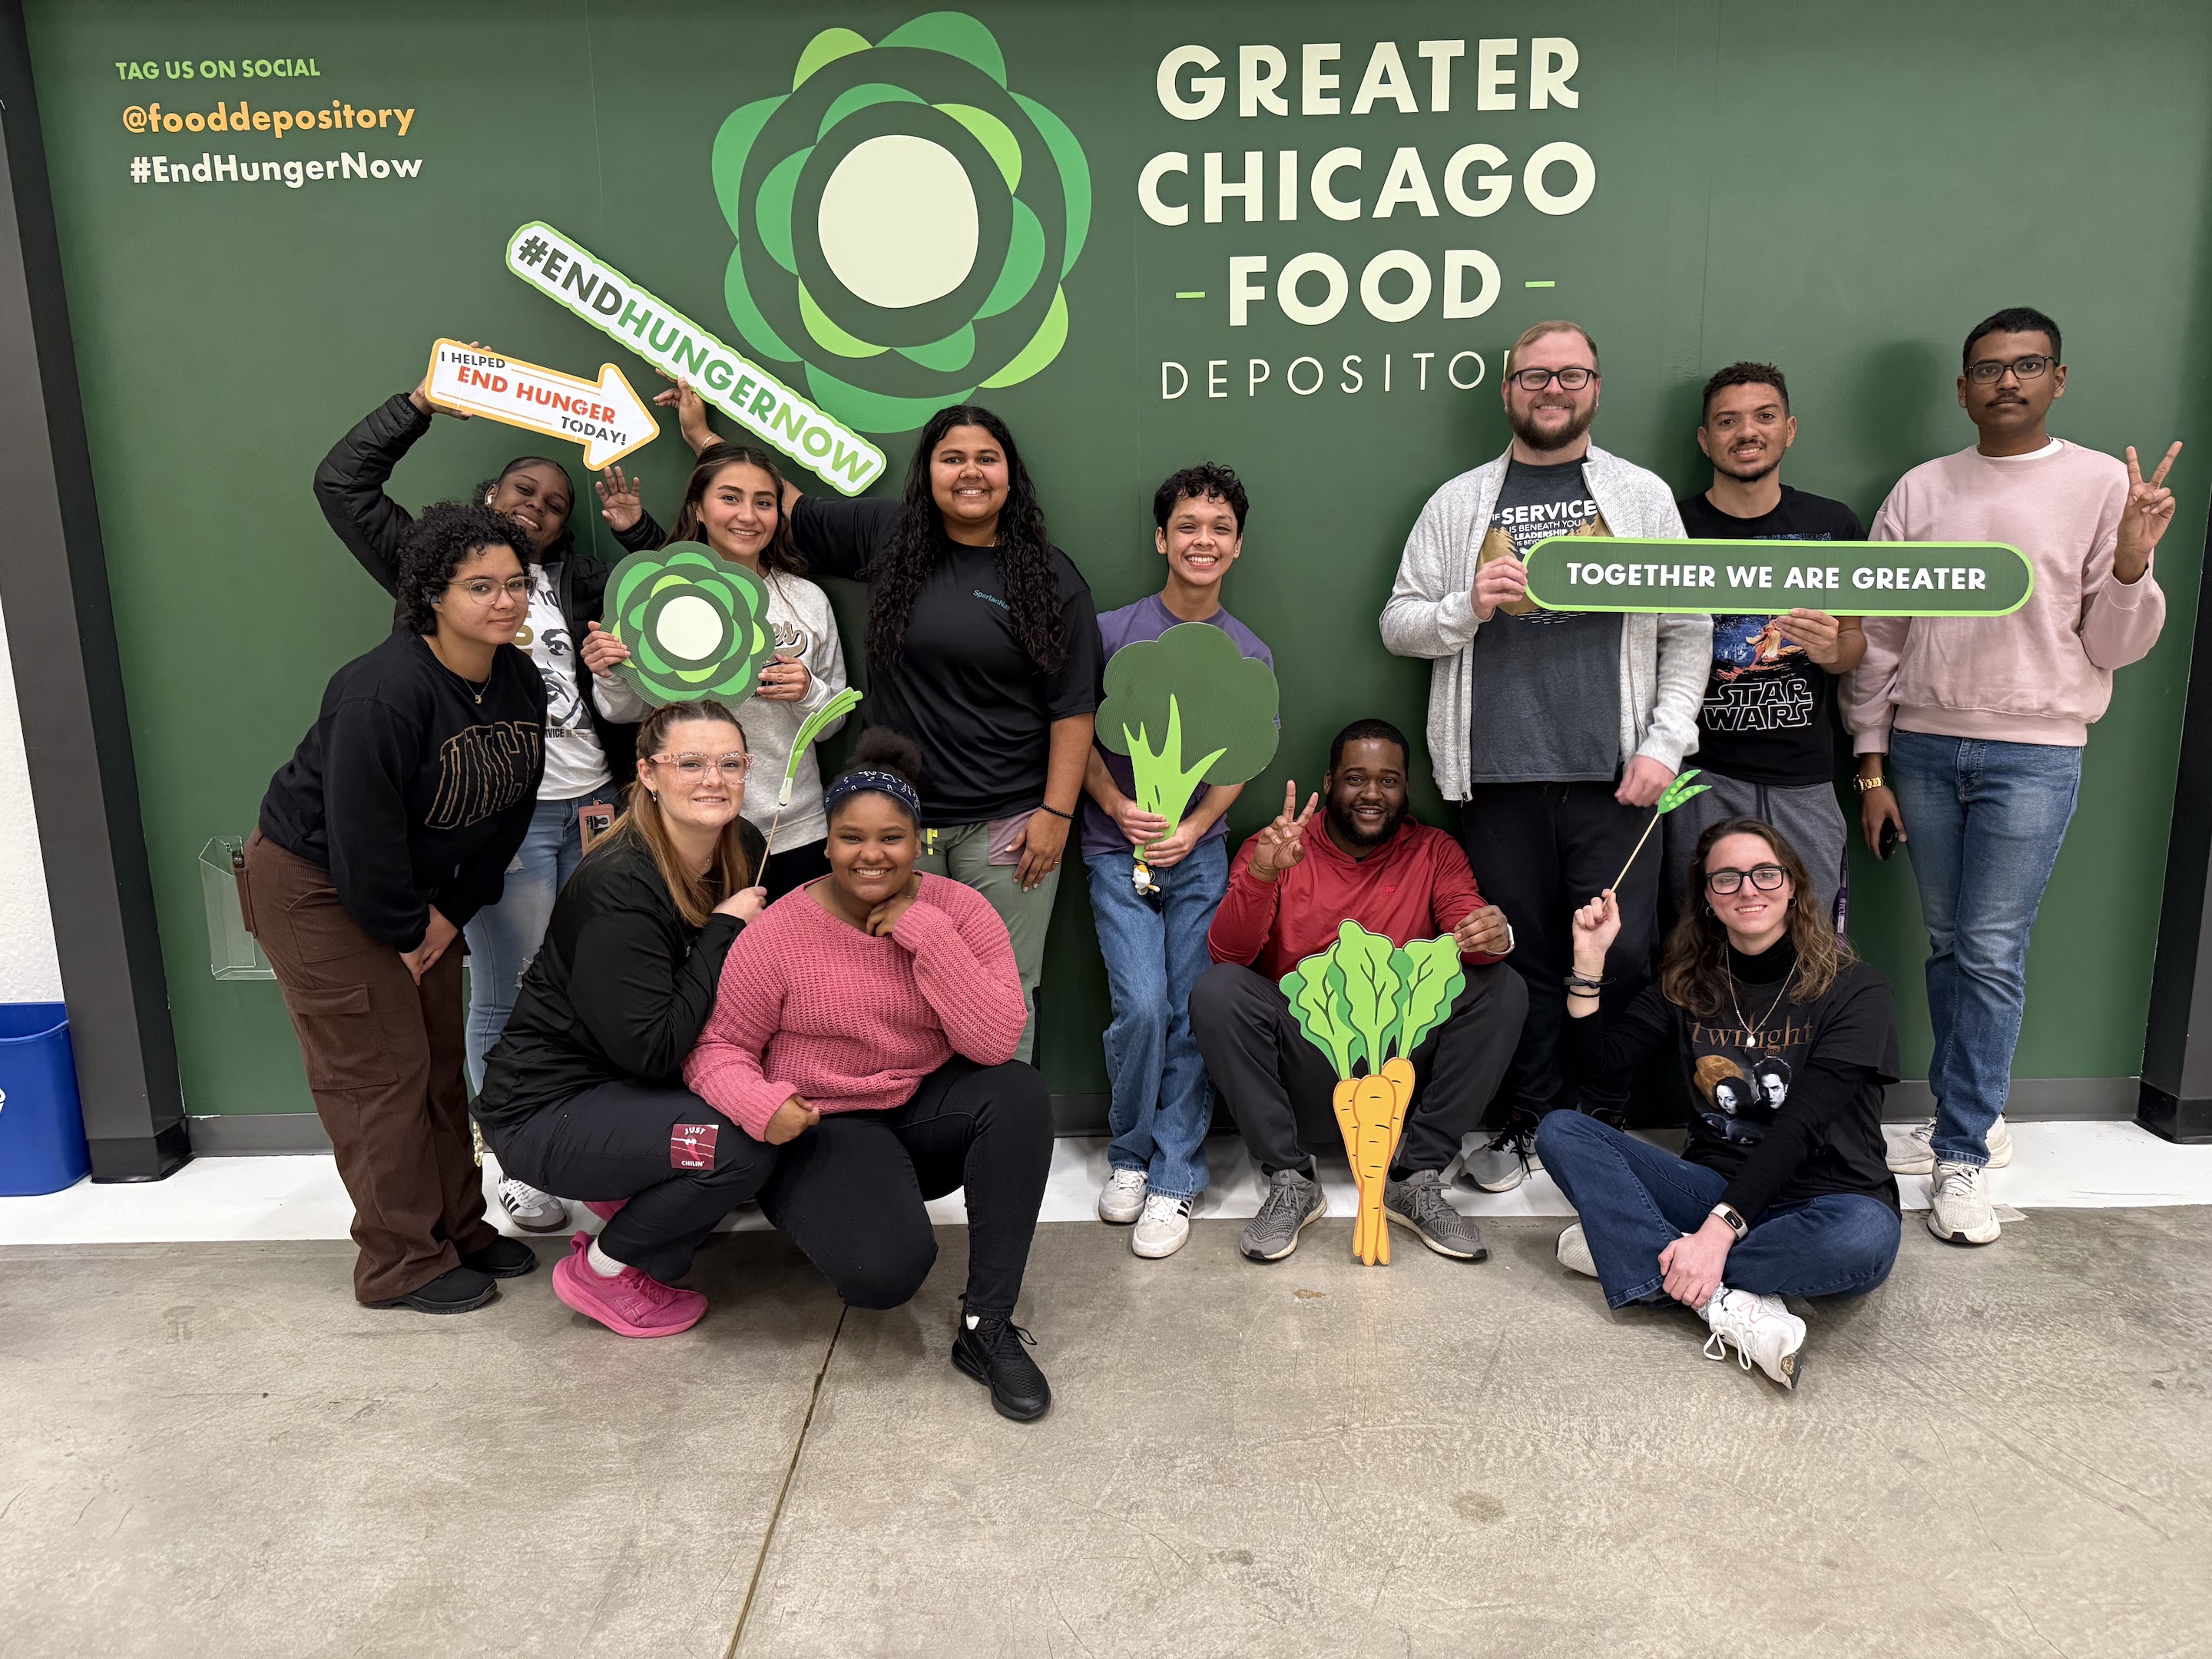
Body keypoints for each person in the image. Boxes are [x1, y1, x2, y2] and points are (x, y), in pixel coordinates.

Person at [1847, 306, 2181, 1246]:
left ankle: (1962, 1154)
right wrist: (1871, 761)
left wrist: (2132, 559)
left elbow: (2116, 646)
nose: (2007, 381)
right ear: (1962, 390)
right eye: (1989, 368)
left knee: (1991, 948)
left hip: (2035, 752)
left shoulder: (2102, 487)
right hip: (1922, 746)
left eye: (2027, 365)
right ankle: (1973, 1117)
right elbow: (1878, 638)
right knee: (1950, 944)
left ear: (2057, 379)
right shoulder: (1921, 490)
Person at [1381, 319, 1710, 1194]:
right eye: (1534, 376)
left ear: (1596, 387)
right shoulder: (1460, 502)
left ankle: (1599, 1127)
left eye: (1571, 375)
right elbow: (1399, 622)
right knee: (1520, 958)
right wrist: (1467, 605)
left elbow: (1688, 628)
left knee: (1623, 956)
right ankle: (1529, 1121)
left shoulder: (1640, 496)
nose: (1552, 389)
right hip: (1495, 779)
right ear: (1508, 390)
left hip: (1618, 779)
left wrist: (1664, 745)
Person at [314, 368, 633, 1235]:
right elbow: (342, 485)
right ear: (491, 495)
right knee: (509, 986)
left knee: (591, 979)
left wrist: (632, 535)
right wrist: (420, 404)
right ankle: (518, 1160)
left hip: (594, 806)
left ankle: (583, 1137)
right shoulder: (436, 562)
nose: (539, 508)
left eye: (556, 504)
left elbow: (665, 594)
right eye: (525, 490)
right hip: (504, 820)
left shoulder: (578, 582)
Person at [685, 733, 1058, 1422]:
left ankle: (988, 1327)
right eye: (851, 837)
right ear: (827, 845)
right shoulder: (779, 932)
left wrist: (928, 935)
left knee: (1018, 1092)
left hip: (922, 1107)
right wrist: (760, 1105)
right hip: (825, 1123)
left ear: (919, 842)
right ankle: (836, 1209)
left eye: (891, 837)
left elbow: (994, 1042)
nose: (871, 854)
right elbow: (717, 1048)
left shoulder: (960, 911)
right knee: (882, 1278)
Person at [243, 503, 546, 1313]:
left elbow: (510, 809)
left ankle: (458, 1230)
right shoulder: (381, 692)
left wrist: (451, 912)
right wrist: (407, 931)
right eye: (480, 586)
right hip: (317, 886)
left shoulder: (516, 678)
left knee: (437, 1063)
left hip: (418, 892)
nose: (505, 600)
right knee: (380, 1075)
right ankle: (399, 1263)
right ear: (431, 595)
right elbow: (360, 835)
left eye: (516, 582)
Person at [781, 406, 1101, 1064]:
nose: (970, 472)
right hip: (900, 824)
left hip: (1009, 830)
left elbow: (1073, 710)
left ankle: (1003, 1124)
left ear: (1011, 474)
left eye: (987, 458)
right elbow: (776, 505)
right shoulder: (886, 535)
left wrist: (1057, 815)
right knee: (900, 992)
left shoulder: (1049, 576)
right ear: (927, 473)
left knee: (1004, 993)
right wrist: (705, 438)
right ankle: (919, 1126)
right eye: (952, 458)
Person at [1537, 817, 1902, 1389]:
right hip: (1711, 1190)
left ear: (1793, 885)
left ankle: (1642, 1257)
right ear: (1707, 898)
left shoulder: (1856, 989)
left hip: (1829, 1198)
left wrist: (1717, 1235)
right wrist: (1588, 962)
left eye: (1765, 874)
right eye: (1726, 878)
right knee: (1562, 1130)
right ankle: (1725, 1301)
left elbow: (1801, 1125)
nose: (1747, 889)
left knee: (1864, 1242)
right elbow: (1595, 1068)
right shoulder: (1686, 983)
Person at [473, 701, 769, 1337]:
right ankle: (603, 1272)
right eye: (690, 763)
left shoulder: (741, 845)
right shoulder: (619, 884)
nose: (713, 779)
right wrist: (722, 929)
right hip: (545, 1112)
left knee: (751, 1125)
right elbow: (654, 1050)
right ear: (649, 773)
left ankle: (632, 1198)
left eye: (730, 763)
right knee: (740, 1147)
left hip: (621, 1091)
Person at [1190, 720, 1525, 1265]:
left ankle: (1415, 1179)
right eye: (1355, 778)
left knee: (1502, 987)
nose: (1372, 793)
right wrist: (1262, 876)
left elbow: (1470, 932)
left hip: (1401, 1072)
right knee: (1218, 990)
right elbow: (1228, 953)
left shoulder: (1433, 850)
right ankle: (1291, 1179)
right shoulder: (1278, 847)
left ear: (1406, 788)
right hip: (1307, 1065)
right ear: (1330, 782)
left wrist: (1492, 934)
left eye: (1388, 780)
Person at [1081, 463, 1274, 1260]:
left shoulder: (1249, 651)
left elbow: (1242, 756)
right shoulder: (1107, 633)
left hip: (1199, 860)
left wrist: (1195, 828)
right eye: (1188, 526)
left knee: (1193, 1010)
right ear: (1162, 539)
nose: (1204, 540)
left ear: (1238, 547)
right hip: (1113, 853)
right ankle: (1129, 1155)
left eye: (1220, 529)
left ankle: (1175, 1175)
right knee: (1141, 1006)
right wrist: (1113, 804)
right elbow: (1075, 738)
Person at [590, 445, 851, 899]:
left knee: (793, 946)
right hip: (691, 831)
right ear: (698, 508)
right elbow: (624, 712)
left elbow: (834, 724)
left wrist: (809, 691)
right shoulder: (658, 595)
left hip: (793, 828)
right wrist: (609, 672)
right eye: (730, 498)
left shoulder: (807, 600)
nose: (748, 516)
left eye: (764, 502)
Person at [1667, 363, 1866, 927]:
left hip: (1803, 777)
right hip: (1699, 775)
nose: (1747, 432)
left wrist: (1831, 651)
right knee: (1696, 937)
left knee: (1812, 939)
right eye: (1727, 421)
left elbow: (1854, 643)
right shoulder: (1672, 528)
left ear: (1790, 429)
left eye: (1764, 416)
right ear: (1705, 439)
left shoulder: (1832, 525)